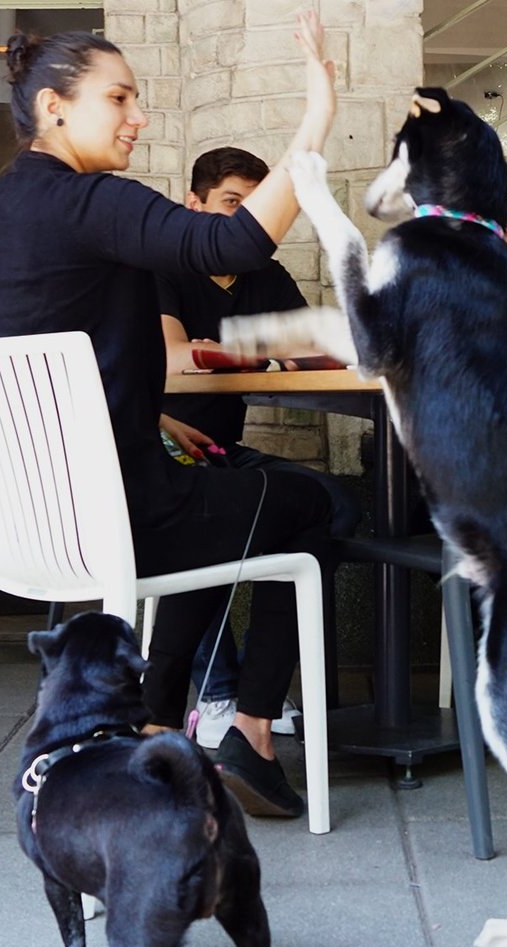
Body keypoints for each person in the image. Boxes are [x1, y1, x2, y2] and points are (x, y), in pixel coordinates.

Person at [0, 14, 337, 818]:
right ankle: (254, 735)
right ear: (55, 106)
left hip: (22, 522)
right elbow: (234, 243)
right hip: (121, 518)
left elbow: (37, 360)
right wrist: (317, 113)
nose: (139, 116)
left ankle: (156, 717)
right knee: (318, 503)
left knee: (219, 484)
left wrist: (158, 422)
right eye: (119, 97)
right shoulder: (88, 201)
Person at [158, 146, 361, 750]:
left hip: (222, 448)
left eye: (257, 206)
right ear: (193, 204)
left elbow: (330, 348)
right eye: (231, 204)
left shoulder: (262, 275)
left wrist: (230, 350)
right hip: (157, 447)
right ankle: (217, 693)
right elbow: (171, 359)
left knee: (334, 503)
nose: (246, 221)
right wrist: (262, 350)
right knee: (215, 516)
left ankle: (254, 697)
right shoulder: (162, 264)